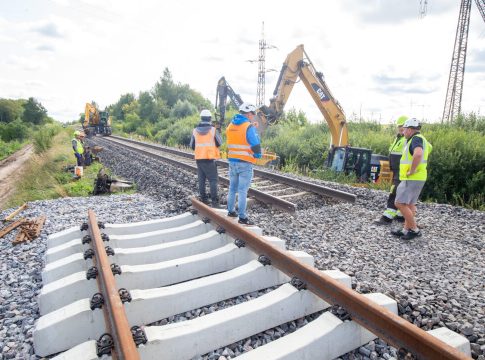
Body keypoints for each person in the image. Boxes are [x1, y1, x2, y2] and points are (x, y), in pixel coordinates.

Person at [391, 118, 432, 240]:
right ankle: (405, 229)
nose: (403, 132)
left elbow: (418, 154)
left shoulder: (416, 139)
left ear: (409, 129)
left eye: (404, 130)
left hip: (412, 177)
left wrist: (412, 170)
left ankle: (414, 229)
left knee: (399, 203)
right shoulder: (422, 139)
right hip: (419, 177)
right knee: (410, 204)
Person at [226, 103, 262, 225]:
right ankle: (242, 217)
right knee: (242, 191)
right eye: (253, 114)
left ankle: (230, 211)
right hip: (245, 163)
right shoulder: (248, 127)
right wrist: (257, 155)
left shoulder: (230, 125)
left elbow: (237, 139)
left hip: (232, 162)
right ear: (248, 113)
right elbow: (255, 144)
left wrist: (252, 127)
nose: (253, 116)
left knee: (232, 189)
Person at [375, 116, 408, 225]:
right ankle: (400, 215)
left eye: (402, 126)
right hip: (396, 169)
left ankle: (387, 217)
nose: (400, 128)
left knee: (394, 191)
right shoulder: (399, 138)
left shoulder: (408, 139)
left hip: (402, 170)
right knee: (401, 191)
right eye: (399, 126)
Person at [189, 109, 222, 207]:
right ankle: (215, 202)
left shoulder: (195, 131)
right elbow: (219, 143)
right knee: (213, 180)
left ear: (201, 118)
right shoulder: (213, 130)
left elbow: (192, 145)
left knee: (201, 179)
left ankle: (203, 199)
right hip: (210, 158)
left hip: (199, 158)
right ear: (210, 118)